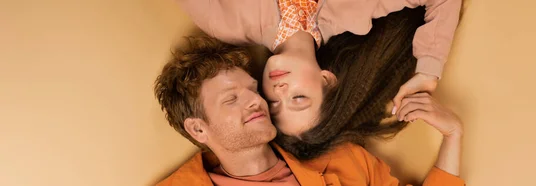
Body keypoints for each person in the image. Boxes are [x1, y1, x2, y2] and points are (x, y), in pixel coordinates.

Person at [153, 34, 464, 185]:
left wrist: (453, 134)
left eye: (251, 89)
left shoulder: (345, 160)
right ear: (197, 128)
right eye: (231, 99)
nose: (255, 100)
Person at [175, 0, 461, 137]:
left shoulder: (225, 23)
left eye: (273, 103)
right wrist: (428, 70)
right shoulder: (357, 12)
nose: (280, 91)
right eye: (298, 99)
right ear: (326, 80)